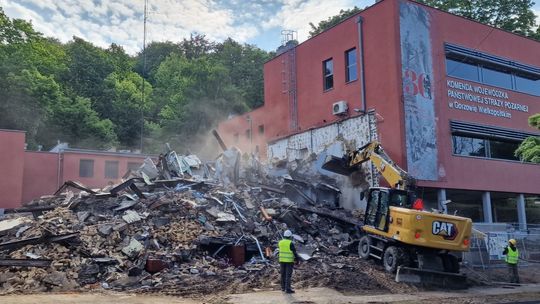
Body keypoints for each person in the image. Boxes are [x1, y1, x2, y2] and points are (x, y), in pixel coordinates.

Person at [278, 229, 299, 293]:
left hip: (281, 260)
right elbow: (294, 252)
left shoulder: (280, 242)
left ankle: (283, 287)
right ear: (290, 236)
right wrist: (297, 260)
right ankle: (288, 289)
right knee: (288, 275)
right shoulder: (290, 243)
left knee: (283, 274)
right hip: (289, 261)